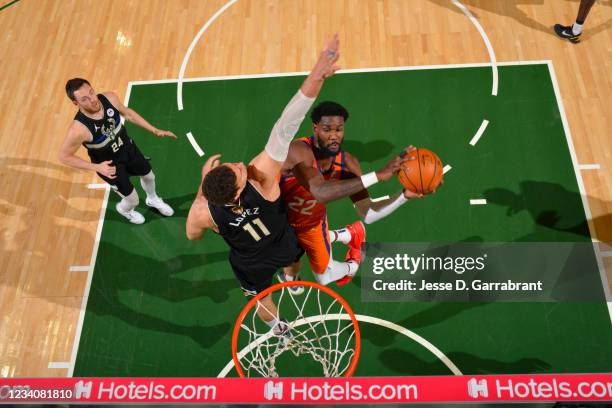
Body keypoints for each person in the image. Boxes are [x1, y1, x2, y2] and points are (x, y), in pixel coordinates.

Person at [186, 34, 340, 333]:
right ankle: (290, 279)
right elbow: (287, 124)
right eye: (238, 171)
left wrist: (202, 188)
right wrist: (316, 76)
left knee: (259, 298)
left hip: (250, 263)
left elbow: (192, 235)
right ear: (240, 187)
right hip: (283, 243)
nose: (239, 165)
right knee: (293, 260)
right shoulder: (263, 179)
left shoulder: (205, 212)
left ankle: (279, 329)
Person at [279, 101, 423, 288]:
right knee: (288, 261)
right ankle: (342, 237)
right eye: (327, 130)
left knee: (323, 278)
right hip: (278, 218)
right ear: (315, 128)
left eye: (338, 130)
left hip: (311, 224)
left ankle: (352, 264)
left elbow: (368, 214)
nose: (333, 136)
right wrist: (378, 176)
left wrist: (403, 196)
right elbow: (320, 193)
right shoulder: (298, 151)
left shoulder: (347, 165)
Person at [59, 78, 175, 224]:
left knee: (149, 176)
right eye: (85, 99)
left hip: (128, 149)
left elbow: (127, 113)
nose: (93, 100)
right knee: (132, 200)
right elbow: (64, 156)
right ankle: (125, 210)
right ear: (76, 103)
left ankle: (152, 199)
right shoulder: (78, 129)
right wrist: (97, 167)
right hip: (109, 166)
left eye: (91, 92)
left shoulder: (109, 98)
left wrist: (154, 130)